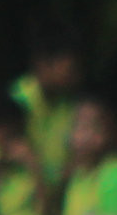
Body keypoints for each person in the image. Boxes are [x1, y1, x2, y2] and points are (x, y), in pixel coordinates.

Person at [12, 22, 84, 187]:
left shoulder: (72, 107)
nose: (77, 76)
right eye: (71, 68)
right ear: (43, 63)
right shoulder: (15, 100)